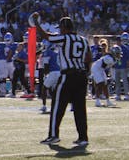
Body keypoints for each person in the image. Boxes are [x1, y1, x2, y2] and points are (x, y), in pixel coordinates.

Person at [31, 13, 91, 147]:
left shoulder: (65, 38)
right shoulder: (83, 40)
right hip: (81, 75)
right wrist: (86, 71)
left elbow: (47, 36)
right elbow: (88, 58)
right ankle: (83, 137)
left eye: (60, 28)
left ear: (64, 27)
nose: (59, 30)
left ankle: (53, 135)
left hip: (68, 75)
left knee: (57, 105)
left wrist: (36, 23)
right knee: (80, 108)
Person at [112, 33, 129, 101]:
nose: (118, 42)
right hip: (116, 66)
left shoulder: (125, 48)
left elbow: (128, 58)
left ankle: (127, 95)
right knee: (117, 81)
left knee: (125, 81)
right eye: (117, 40)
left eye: (119, 40)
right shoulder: (114, 48)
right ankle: (118, 95)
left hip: (123, 67)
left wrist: (128, 66)